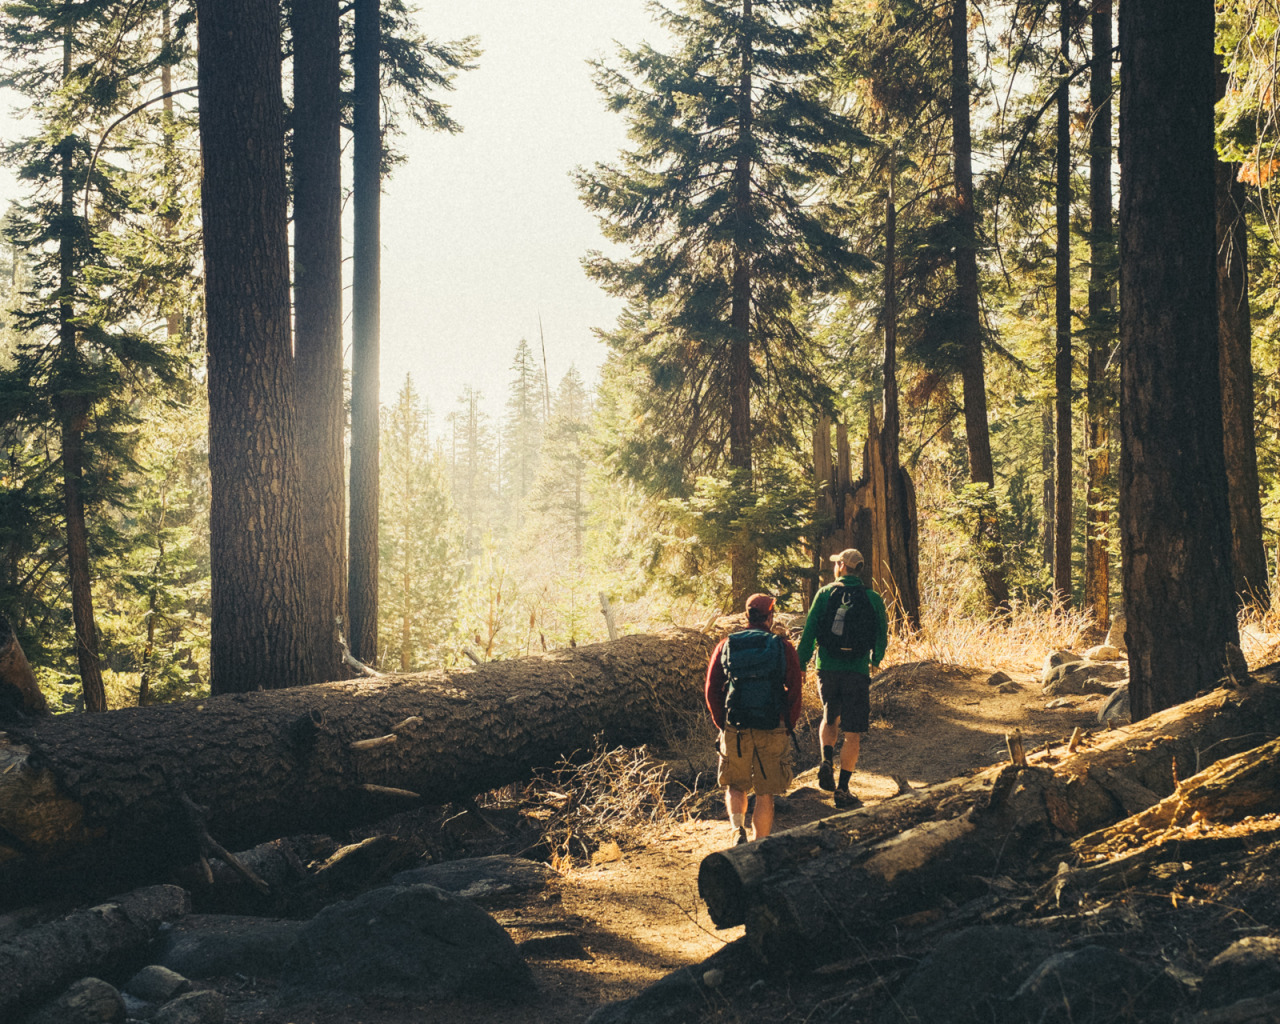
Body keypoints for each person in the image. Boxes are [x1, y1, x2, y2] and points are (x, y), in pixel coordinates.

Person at [705, 593, 803, 845]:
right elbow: (794, 688)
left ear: (747, 615)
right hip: (771, 725)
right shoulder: (783, 646)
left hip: (736, 725)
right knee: (765, 792)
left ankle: (738, 830)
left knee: (735, 785)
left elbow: (711, 688)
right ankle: (759, 845)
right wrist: (786, 724)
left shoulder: (727, 644)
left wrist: (722, 723)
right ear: (770, 616)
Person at [796, 548, 888, 809]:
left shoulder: (825, 594)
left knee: (829, 716)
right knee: (853, 731)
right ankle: (843, 789)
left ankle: (826, 759)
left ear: (842, 567)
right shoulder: (872, 598)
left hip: (827, 667)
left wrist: (801, 663)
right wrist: (875, 659)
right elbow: (882, 632)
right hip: (856, 668)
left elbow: (810, 631)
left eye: (837, 563)